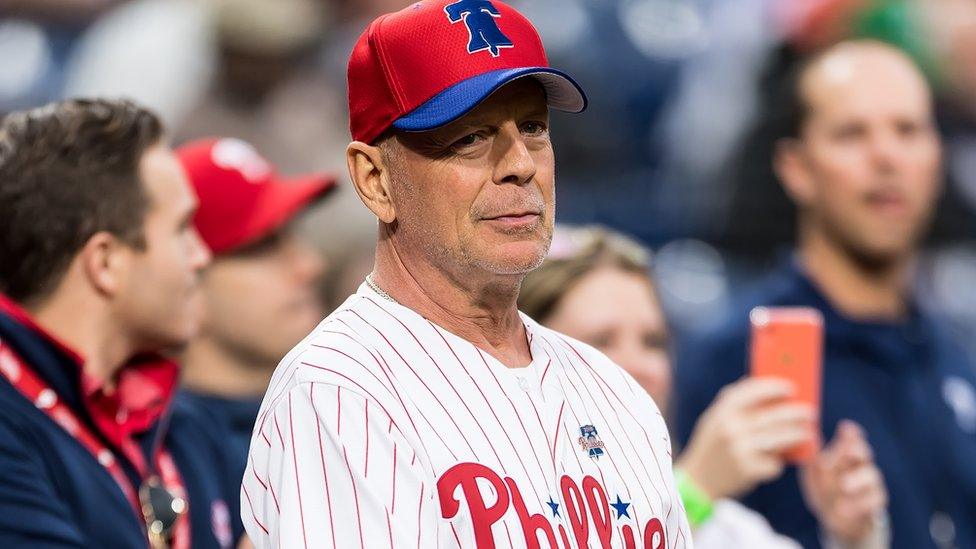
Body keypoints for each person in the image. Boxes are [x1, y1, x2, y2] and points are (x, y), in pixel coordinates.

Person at [241, 1, 692, 547]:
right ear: (375, 180)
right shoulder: (340, 393)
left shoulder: (614, 390)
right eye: (470, 137)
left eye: (532, 127)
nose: (520, 163)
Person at [675, 40, 976, 548]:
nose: (886, 157)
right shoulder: (733, 357)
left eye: (907, 130)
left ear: (937, 158)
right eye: (851, 134)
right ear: (796, 168)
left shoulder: (957, 355)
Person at [519, 225, 890, 548]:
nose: (637, 366)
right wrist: (694, 490)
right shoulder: (491, 497)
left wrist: (852, 539)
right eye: (600, 340)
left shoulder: (723, 522)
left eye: (653, 342)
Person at [0, 98, 245, 548]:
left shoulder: (185, 422)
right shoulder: (9, 425)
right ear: (107, 262)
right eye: (181, 229)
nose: (201, 256)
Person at [174, 136, 334, 503]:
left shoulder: (345, 405)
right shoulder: (166, 456)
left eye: (293, 235)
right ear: (186, 280)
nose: (309, 266)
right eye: (262, 247)